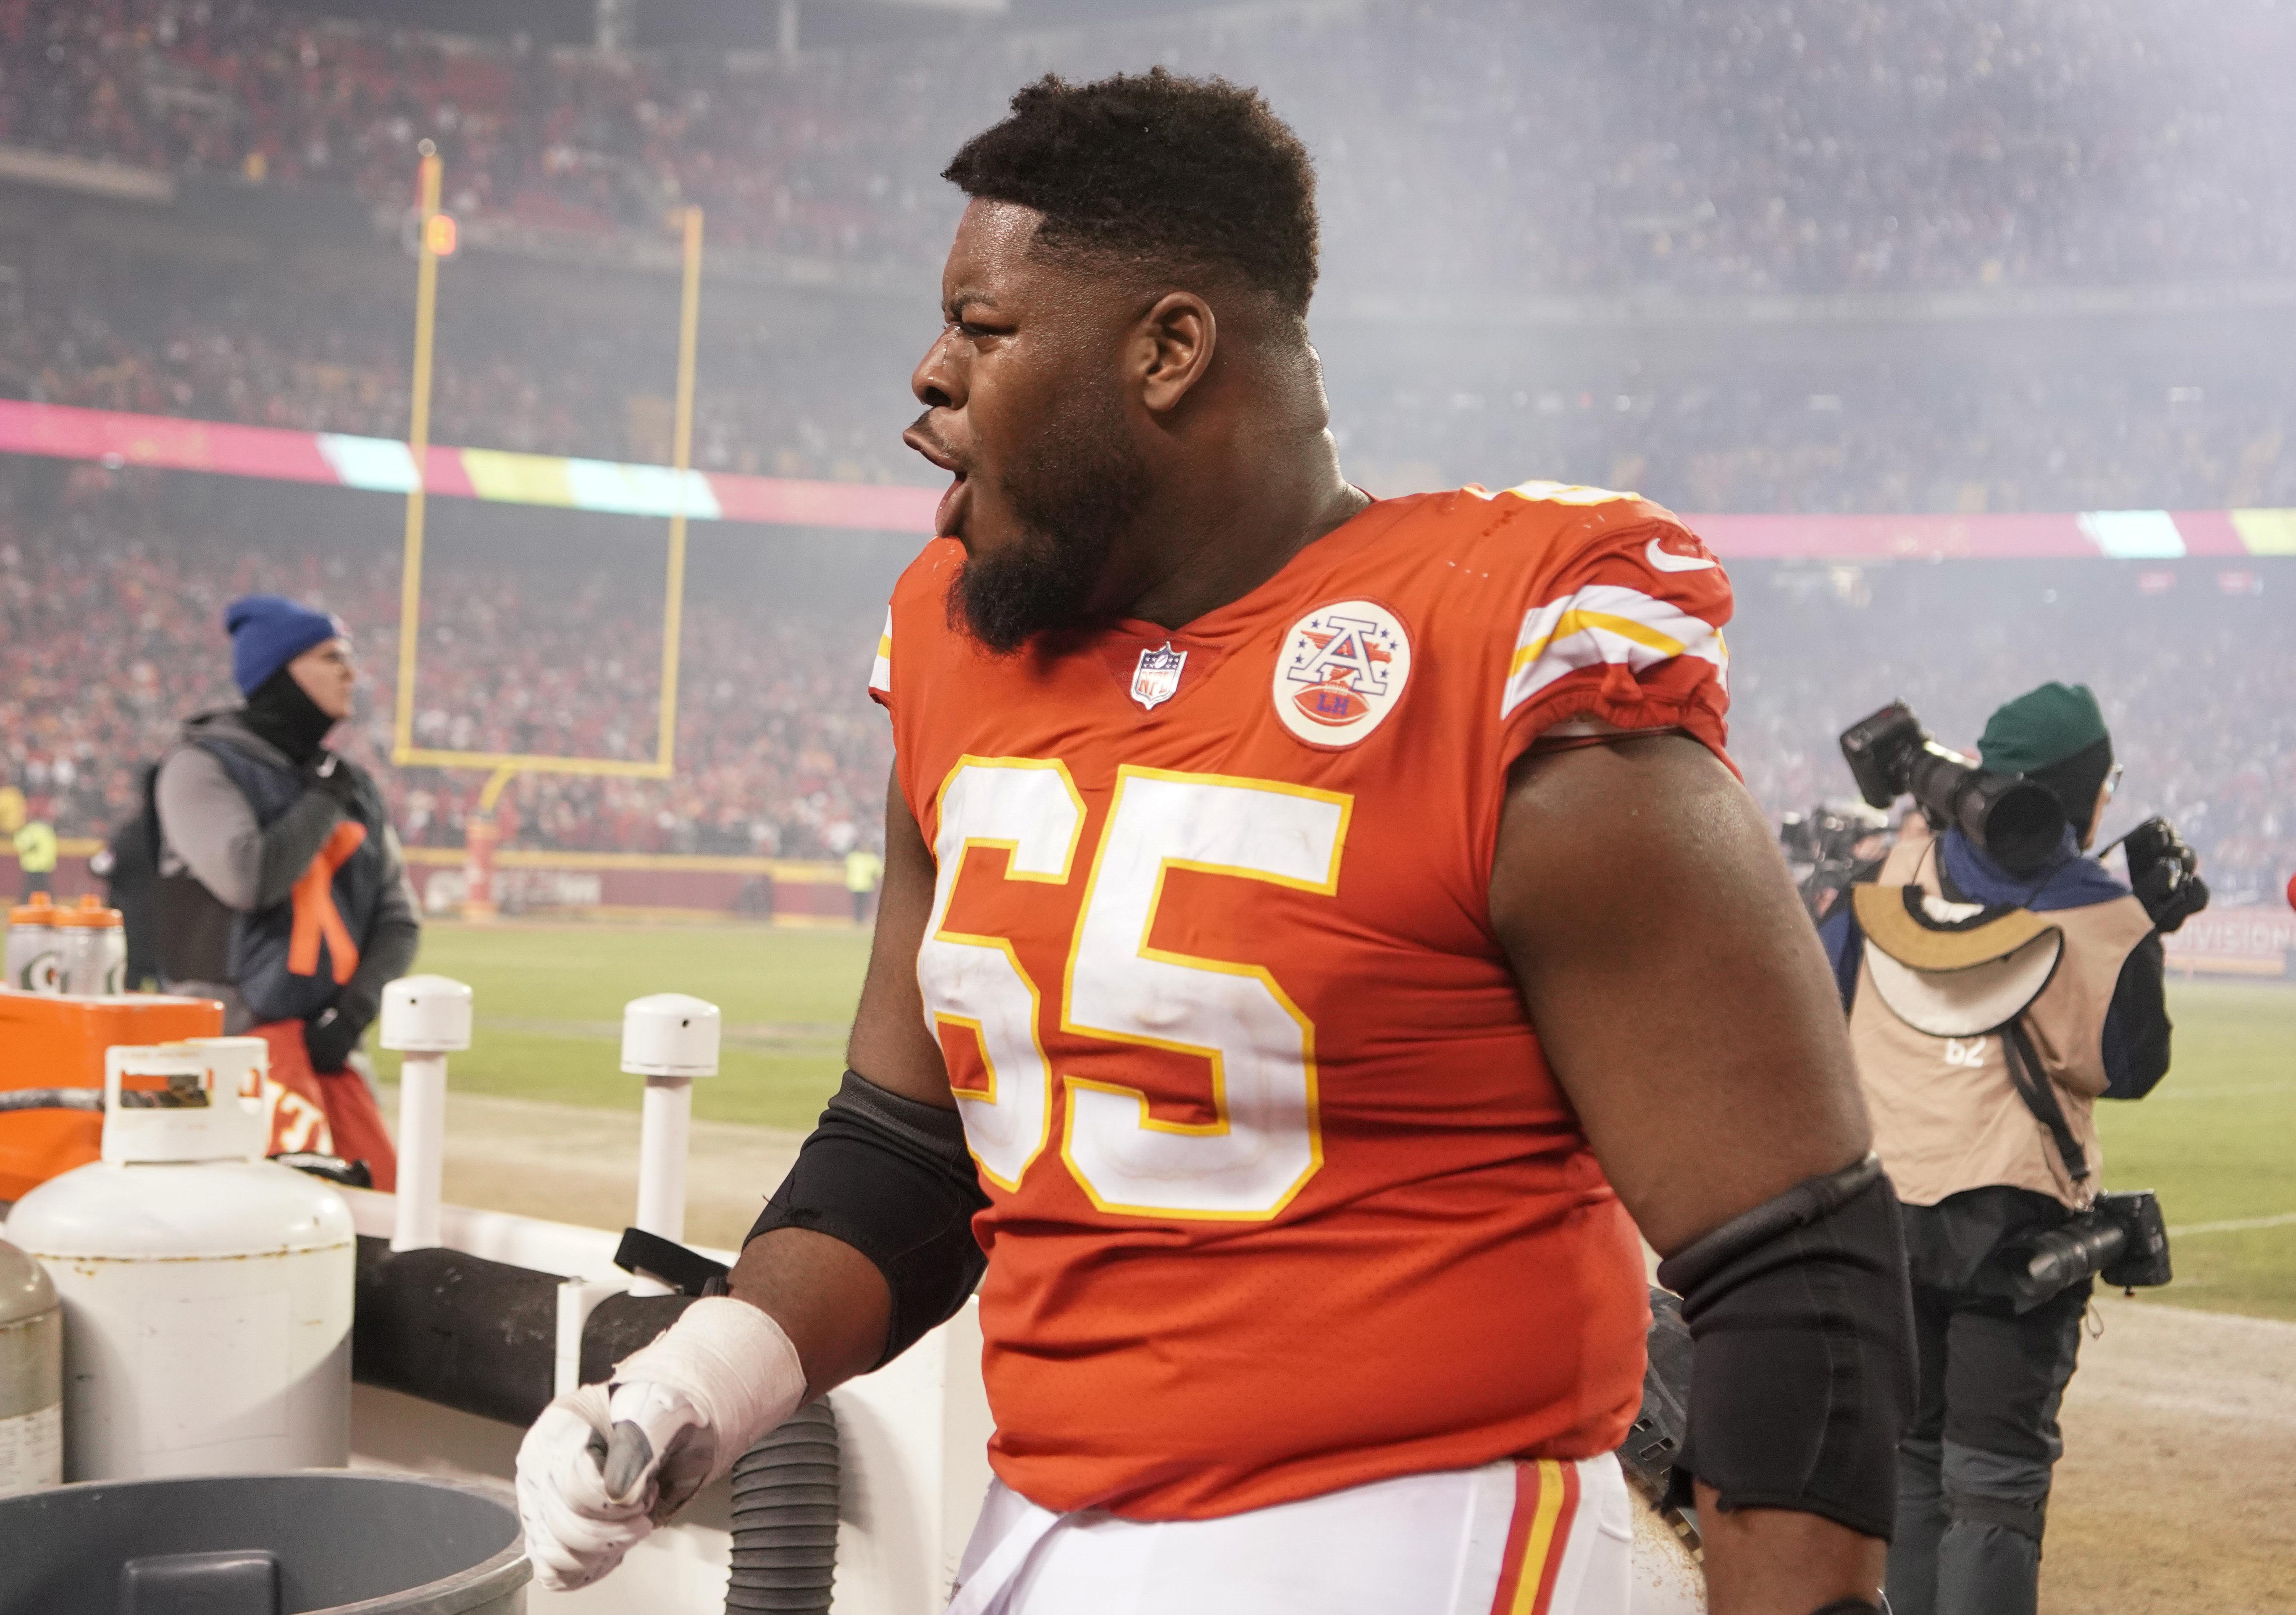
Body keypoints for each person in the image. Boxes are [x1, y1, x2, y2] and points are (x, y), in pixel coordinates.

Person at [517, 72, 1913, 1615]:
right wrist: (696, 1379)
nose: (928, 378)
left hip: (1411, 1525)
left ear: (1170, 351)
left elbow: (1792, 1259)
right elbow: (910, 1147)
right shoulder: (958, 643)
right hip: (1042, 1518)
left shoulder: (1503, 654)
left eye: (982, 330)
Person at [1818, 683, 2181, 1614]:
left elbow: (1825, 989)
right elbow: (2128, 1062)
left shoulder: (1893, 869)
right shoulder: (2099, 913)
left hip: (1884, 1214)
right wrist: (2147, 921)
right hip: (2011, 1231)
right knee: (1994, 1484)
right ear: (2085, 793)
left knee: (1912, 1454)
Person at [154, 594, 418, 1187]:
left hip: (330, 1051)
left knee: (362, 1216)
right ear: (282, 673)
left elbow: (400, 919)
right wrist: (322, 800)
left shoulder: (353, 785)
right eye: (331, 657)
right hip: (224, 1048)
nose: (351, 672)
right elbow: (249, 878)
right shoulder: (200, 768)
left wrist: (350, 1016)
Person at [842, 844, 883, 926]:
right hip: (863, 885)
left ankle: (859, 920)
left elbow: (846, 868)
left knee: (859, 904)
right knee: (862, 904)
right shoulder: (871, 858)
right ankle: (859, 920)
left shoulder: (854, 857)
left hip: (860, 885)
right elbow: (879, 873)